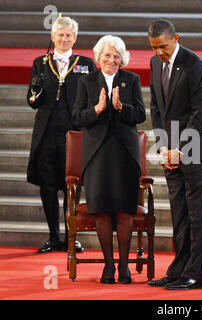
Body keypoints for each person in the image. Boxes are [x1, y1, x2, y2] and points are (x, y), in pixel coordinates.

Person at [147, 19, 202, 290]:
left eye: (163, 46)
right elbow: (155, 108)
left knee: (198, 215)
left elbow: (200, 113)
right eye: (154, 48)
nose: (159, 53)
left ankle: (195, 275)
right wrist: (164, 146)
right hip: (171, 149)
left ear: (176, 38)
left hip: (198, 147)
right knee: (179, 213)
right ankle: (178, 270)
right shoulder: (154, 64)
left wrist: (180, 149)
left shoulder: (195, 64)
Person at [72, 35, 146, 284]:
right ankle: (108, 267)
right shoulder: (86, 81)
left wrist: (120, 107)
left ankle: (124, 268)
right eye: (107, 55)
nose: (111, 60)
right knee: (102, 212)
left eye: (116, 56)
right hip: (97, 155)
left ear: (122, 59)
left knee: (124, 212)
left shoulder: (131, 80)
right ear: (98, 56)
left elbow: (141, 115)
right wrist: (98, 109)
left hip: (125, 153)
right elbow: (78, 117)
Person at [27, 16, 96, 254]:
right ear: (52, 36)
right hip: (46, 134)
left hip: (74, 134)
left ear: (75, 38)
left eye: (69, 35)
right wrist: (36, 89)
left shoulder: (86, 64)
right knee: (47, 186)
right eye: (60, 34)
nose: (64, 39)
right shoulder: (40, 63)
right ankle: (54, 237)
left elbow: (93, 100)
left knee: (71, 186)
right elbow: (32, 102)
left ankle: (70, 237)